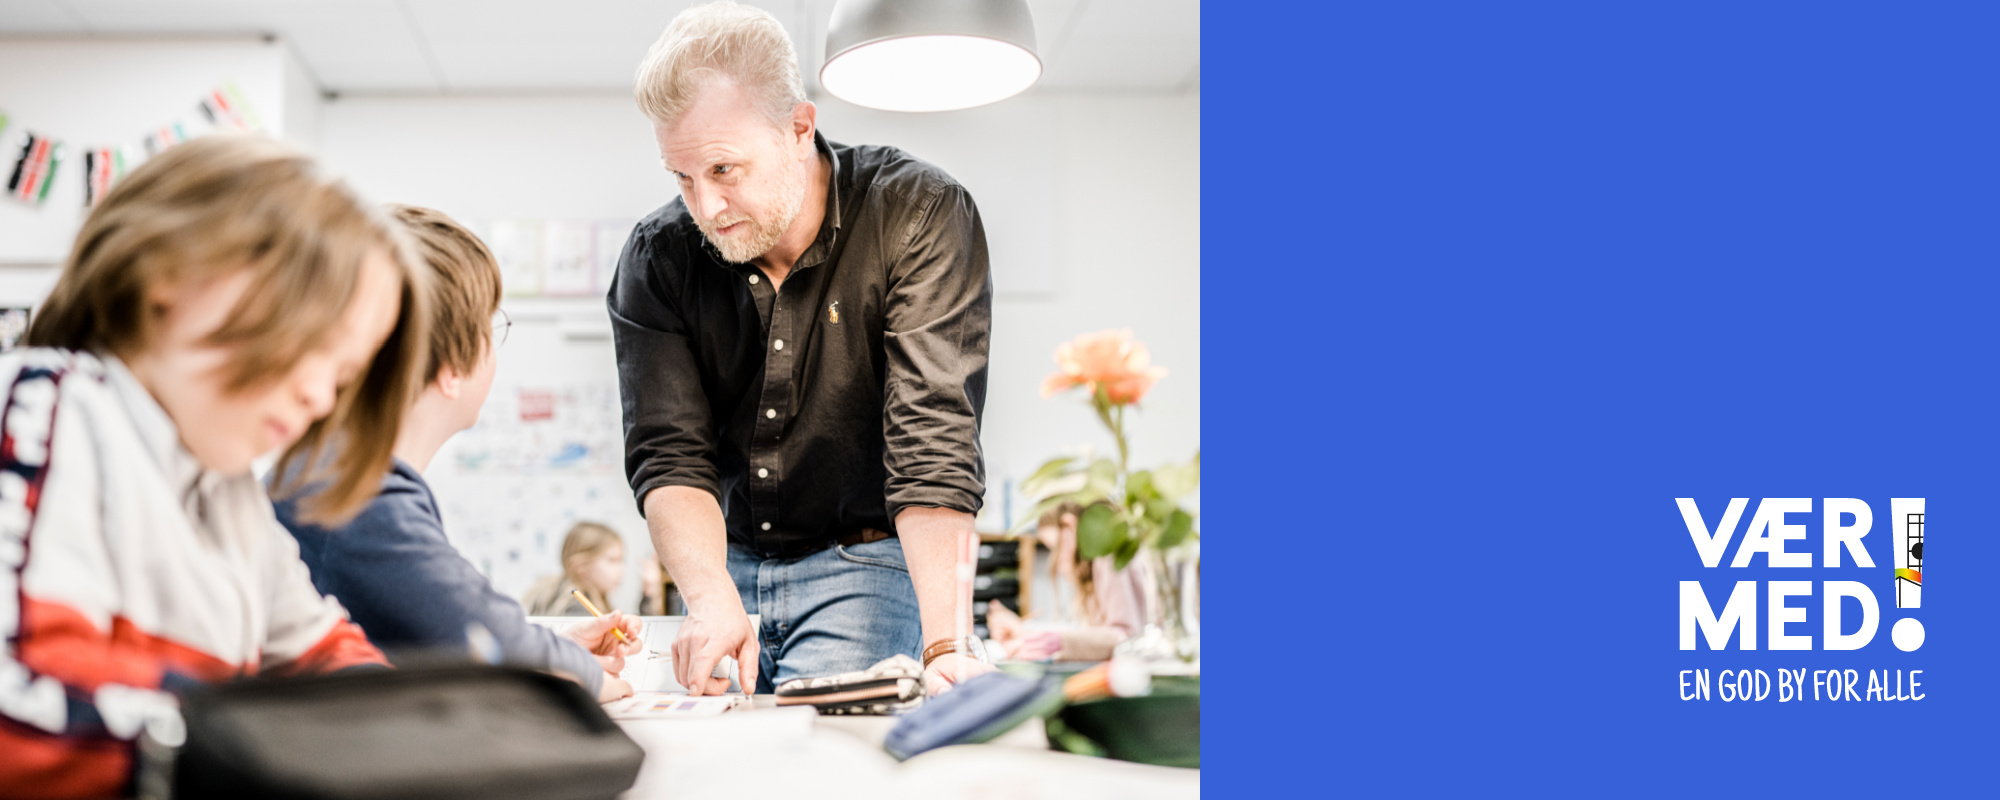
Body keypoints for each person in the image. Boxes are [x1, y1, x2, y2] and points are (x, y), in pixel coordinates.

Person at [0, 135, 420, 797]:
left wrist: (420, 735)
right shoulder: (44, 405)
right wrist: (273, 746)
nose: (320, 397)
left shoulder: (229, 493)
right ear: (170, 272)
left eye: (343, 376)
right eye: (312, 340)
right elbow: (22, 701)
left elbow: (323, 654)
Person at [612, 1, 995, 696]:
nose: (706, 208)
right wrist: (708, 594)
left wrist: (948, 643)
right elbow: (669, 454)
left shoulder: (918, 215)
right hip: (721, 565)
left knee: (824, 750)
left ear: (798, 128)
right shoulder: (657, 258)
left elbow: (932, 438)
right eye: (682, 178)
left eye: (724, 169)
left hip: (865, 565)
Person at [272, 206, 639, 703]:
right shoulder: (354, 494)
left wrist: (559, 653)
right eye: (491, 327)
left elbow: (457, 631)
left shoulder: (330, 471)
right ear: (451, 366)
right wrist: (589, 677)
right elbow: (489, 635)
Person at [985, 505, 1148, 662]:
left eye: (1055, 548)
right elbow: (1091, 632)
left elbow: (1125, 637)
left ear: (1069, 525)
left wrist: (1055, 643)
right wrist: (1025, 632)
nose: (1057, 564)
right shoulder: (1093, 567)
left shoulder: (1107, 554)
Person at [521, 522, 629, 617]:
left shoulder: (554, 595)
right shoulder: (578, 610)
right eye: (613, 560)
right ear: (581, 566)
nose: (622, 569)